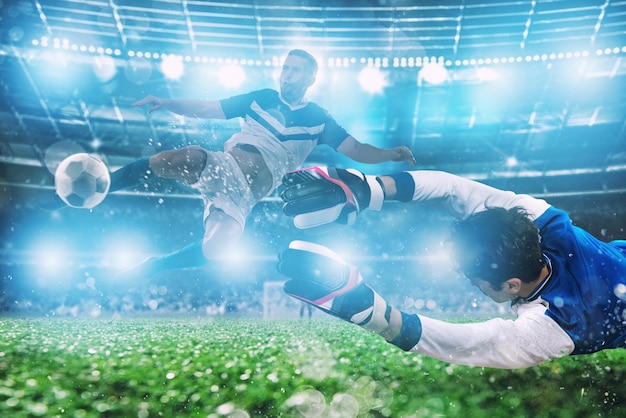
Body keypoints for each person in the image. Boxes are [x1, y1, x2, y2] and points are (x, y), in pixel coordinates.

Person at [40, 50, 415, 277]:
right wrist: (168, 102)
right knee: (175, 158)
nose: (286, 74)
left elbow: (356, 148)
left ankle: (150, 267)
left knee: (217, 250)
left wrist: (390, 154)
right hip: (222, 165)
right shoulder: (260, 97)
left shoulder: (319, 119)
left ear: (311, 77)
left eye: (295, 70)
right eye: (285, 68)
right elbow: (208, 108)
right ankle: (100, 190)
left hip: (243, 198)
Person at [276, 166, 626, 369]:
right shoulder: (542, 223)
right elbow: (453, 188)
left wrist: (375, 315)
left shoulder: (563, 326)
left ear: (512, 285)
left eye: (478, 282)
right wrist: (369, 188)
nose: (472, 285)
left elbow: (479, 343)